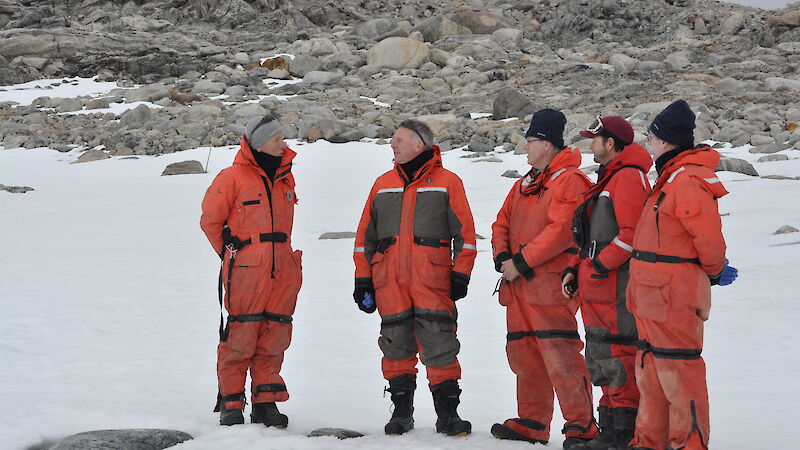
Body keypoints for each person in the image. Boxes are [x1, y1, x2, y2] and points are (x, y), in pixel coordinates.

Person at [353, 119, 478, 436]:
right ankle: (402, 413)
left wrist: (461, 274)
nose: (392, 145)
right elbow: (364, 239)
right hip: (390, 281)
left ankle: (448, 415)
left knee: (440, 344)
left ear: (419, 144)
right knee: (395, 346)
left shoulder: (448, 182)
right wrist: (363, 280)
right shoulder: (382, 184)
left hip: (432, 280)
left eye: (399, 139)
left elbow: (466, 236)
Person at [626, 100, 738, 450]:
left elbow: (707, 237)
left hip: (672, 295)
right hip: (651, 295)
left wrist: (715, 271)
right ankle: (650, 441)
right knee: (652, 371)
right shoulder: (670, 176)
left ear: (666, 140)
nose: (649, 143)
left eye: (653, 137)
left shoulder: (687, 179)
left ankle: (688, 443)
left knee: (679, 372)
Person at [490, 108, 599, 449]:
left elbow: (562, 231)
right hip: (519, 287)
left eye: (532, 140)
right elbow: (501, 224)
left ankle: (582, 425)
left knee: (560, 355)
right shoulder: (525, 183)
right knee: (525, 354)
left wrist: (520, 262)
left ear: (548, 143)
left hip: (551, 286)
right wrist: (503, 258)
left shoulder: (569, 180)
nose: (525, 146)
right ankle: (533, 422)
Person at [200, 115, 303, 427]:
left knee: (275, 333)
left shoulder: (285, 178)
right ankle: (232, 403)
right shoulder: (231, 177)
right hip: (246, 269)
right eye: (277, 139)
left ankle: (265, 402)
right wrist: (231, 254)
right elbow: (210, 222)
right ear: (260, 143)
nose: (283, 144)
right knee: (241, 333)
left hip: (283, 268)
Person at [561, 116, 652, 450]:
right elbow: (589, 237)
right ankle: (610, 431)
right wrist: (575, 268)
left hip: (615, 287)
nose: (590, 144)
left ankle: (625, 434)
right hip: (597, 285)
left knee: (618, 354)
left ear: (610, 142)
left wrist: (600, 266)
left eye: (595, 139)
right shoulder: (609, 177)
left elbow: (633, 234)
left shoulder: (627, 178)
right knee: (601, 355)